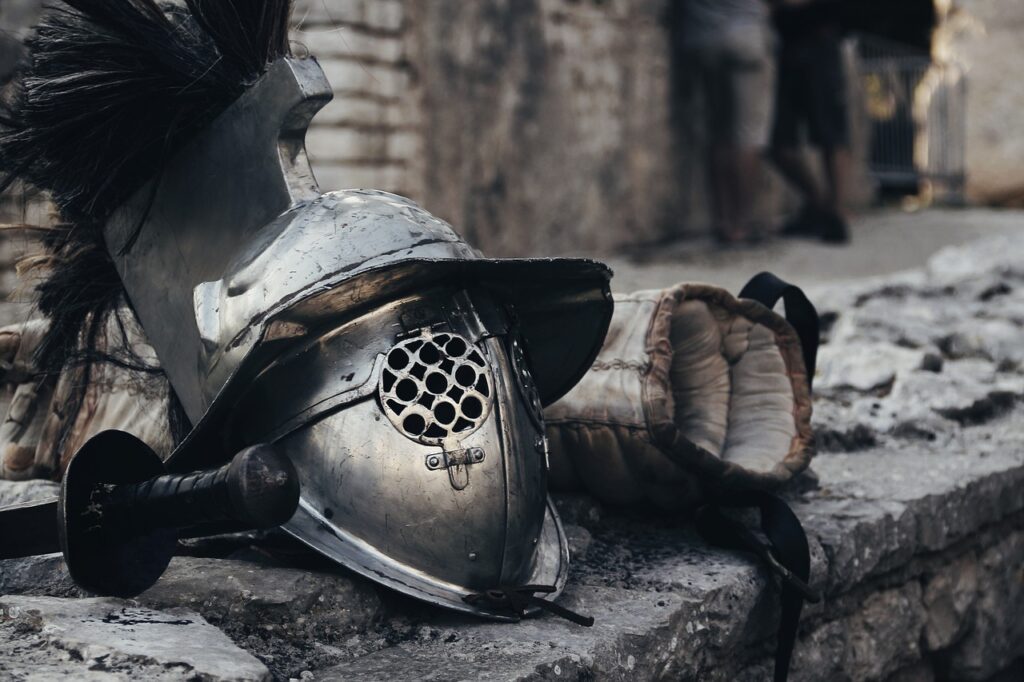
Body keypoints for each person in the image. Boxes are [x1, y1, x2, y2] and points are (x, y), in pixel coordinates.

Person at [678, 0, 775, 245]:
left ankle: (722, 222)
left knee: (718, 133)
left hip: (704, 40)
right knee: (748, 135)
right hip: (745, 38)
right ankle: (742, 223)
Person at [768, 0, 851, 243]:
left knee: (831, 134)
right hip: (785, 45)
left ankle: (835, 213)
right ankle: (822, 207)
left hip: (820, 41)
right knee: (778, 144)